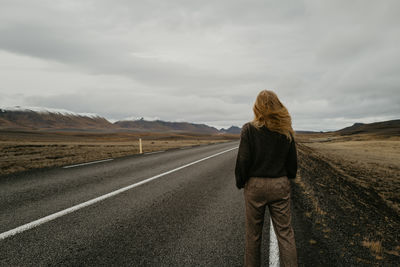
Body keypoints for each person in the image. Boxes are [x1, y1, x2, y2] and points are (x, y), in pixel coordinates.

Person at [235, 90, 298, 267]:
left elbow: (243, 160)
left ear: (257, 107)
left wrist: (241, 181)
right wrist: (288, 178)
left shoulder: (249, 129)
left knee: (253, 236)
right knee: (285, 234)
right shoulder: (286, 131)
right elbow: (292, 163)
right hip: (280, 185)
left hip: (255, 186)